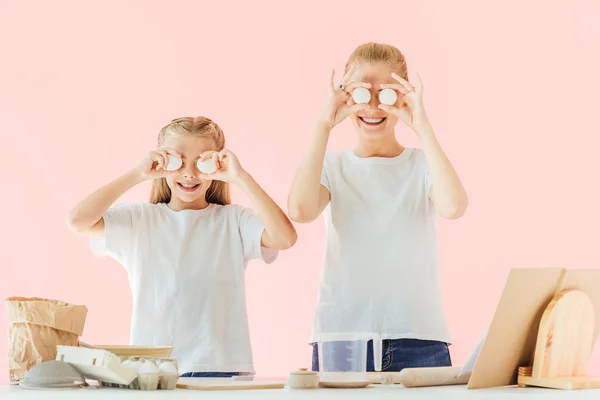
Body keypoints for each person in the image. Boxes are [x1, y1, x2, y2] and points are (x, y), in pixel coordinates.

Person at [68, 116, 297, 377]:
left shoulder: (233, 221)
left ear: (217, 164)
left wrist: (241, 177)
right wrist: (138, 174)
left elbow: (284, 238)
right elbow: (78, 221)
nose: (190, 173)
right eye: (178, 161)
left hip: (223, 368)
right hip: (152, 370)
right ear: (161, 162)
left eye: (202, 162)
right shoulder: (140, 220)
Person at [288, 43, 468, 372]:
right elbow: (300, 210)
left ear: (403, 95)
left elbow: (454, 206)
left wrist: (421, 126)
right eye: (360, 93)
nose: (372, 106)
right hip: (341, 337)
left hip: (419, 336)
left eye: (385, 93)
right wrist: (323, 124)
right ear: (344, 96)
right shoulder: (331, 166)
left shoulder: (422, 164)